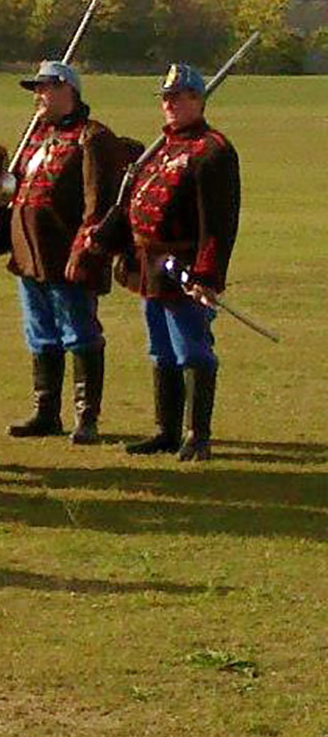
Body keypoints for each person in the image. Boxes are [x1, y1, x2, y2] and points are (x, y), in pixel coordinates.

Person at [82, 63, 240, 461]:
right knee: (161, 349)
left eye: (178, 97)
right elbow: (134, 202)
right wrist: (105, 237)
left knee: (193, 349)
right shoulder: (163, 147)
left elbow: (218, 223)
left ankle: (196, 435)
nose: (169, 105)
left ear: (197, 100)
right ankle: (165, 430)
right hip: (147, 265)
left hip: (183, 264)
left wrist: (207, 273)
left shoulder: (212, 151)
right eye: (166, 98)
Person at [0, 60, 130, 444]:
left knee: (79, 334)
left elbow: (96, 204)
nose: (39, 96)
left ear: (68, 90)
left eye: (45, 88)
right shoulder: (34, 135)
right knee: (41, 335)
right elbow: (13, 192)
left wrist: (85, 250)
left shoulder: (92, 137)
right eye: (36, 89)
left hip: (65, 256)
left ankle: (86, 416)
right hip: (29, 257)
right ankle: (46, 411)